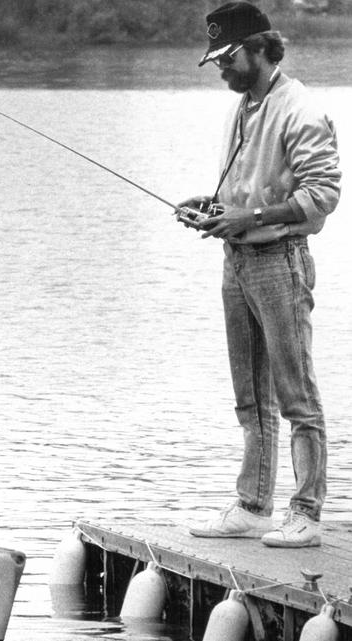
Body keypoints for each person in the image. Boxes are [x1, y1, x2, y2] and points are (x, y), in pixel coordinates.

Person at [179, 2, 341, 548]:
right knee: (249, 395)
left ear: (259, 50)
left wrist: (247, 218)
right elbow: (247, 192)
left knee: (297, 395)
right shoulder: (243, 106)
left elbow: (323, 195)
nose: (221, 69)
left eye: (228, 59)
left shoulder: (301, 110)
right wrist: (212, 208)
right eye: (216, 61)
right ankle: (253, 506)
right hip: (238, 262)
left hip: (281, 262)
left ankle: (307, 513)